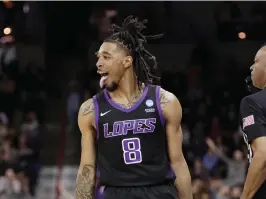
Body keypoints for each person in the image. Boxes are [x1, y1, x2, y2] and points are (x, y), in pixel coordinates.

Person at [75, 16, 192, 199]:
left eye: (106, 57)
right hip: (115, 192)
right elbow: (87, 168)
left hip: (159, 191)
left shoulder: (165, 101)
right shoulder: (90, 110)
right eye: (98, 58)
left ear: (127, 61)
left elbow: (178, 163)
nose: (98, 64)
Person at [240, 45, 266, 199]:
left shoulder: (252, 102)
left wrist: (245, 196)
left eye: (256, 61)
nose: (251, 67)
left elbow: (263, 155)